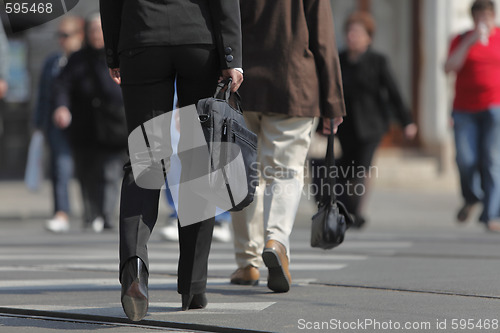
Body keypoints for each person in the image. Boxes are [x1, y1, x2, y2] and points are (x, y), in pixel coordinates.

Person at [99, 0, 243, 321]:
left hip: (141, 39)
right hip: (197, 39)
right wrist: (232, 56)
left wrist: (113, 52)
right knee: (196, 160)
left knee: (146, 158)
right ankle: (193, 285)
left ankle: (134, 267)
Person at [229, 0, 345, 293]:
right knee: (286, 172)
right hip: (293, 83)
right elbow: (323, 39)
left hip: (241, 86)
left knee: (244, 175)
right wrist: (333, 101)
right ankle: (276, 240)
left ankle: (247, 263)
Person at [330, 11, 417, 228]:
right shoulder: (338, 60)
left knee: (362, 167)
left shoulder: (378, 61)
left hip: (372, 124)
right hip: (346, 124)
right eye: (350, 32)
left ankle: (356, 212)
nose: (353, 36)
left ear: (369, 37)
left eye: (358, 33)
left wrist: (407, 121)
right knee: (347, 167)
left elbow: (393, 91)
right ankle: (348, 209)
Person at [52, 14, 127, 233]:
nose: (96, 34)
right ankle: (91, 213)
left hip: (113, 124)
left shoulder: (119, 56)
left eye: (100, 29)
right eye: (93, 30)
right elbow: (62, 86)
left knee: (111, 171)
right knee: (87, 172)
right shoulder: (77, 58)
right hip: (85, 125)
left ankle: (106, 214)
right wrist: (61, 107)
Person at [444, 0, 500, 232]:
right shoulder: (461, 38)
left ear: (493, 16)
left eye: (486, 16)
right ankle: (472, 196)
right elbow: (449, 67)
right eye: (478, 16)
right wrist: (470, 41)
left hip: (494, 107)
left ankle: (492, 215)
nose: (482, 20)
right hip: (465, 109)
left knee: (493, 161)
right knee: (465, 160)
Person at [34, 16, 84, 233]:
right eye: (59, 35)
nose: (62, 40)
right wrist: (39, 124)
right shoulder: (52, 62)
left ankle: (95, 213)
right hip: (57, 124)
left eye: (66, 35)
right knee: (60, 169)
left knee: (89, 170)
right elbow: (43, 95)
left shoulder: (86, 60)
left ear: (79, 36)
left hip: (86, 125)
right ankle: (61, 213)